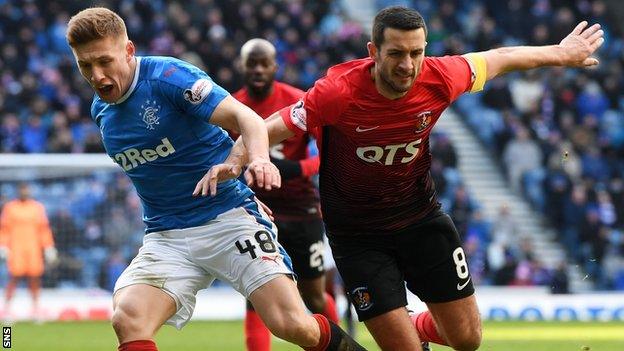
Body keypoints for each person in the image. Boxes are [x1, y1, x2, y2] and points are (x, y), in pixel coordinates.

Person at [210, 6, 604, 351]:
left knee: (468, 340)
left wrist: (561, 54)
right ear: (373, 52)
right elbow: (270, 126)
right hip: (358, 237)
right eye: (396, 53)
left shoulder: (441, 76)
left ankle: (416, 323)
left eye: (417, 53)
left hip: (420, 220)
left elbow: (501, 57)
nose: (408, 65)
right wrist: (241, 159)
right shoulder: (337, 93)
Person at [65, 8, 364, 351]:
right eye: (85, 66)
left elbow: (246, 117)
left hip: (227, 220)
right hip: (167, 235)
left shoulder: (169, 78)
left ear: (129, 50)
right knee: (128, 318)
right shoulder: (100, 110)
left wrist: (259, 161)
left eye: (105, 61)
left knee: (292, 324)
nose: (97, 75)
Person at [232, 38, 339, 351]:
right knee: (256, 294)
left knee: (314, 295)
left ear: (275, 66)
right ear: (242, 66)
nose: (258, 70)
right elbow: (225, 158)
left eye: (264, 63)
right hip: (257, 213)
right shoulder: (232, 107)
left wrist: (296, 169)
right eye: (252, 64)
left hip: (302, 210)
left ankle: (338, 345)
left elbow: (328, 153)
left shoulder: (297, 101)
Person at [0, 183, 58, 319]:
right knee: (13, 277)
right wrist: (3, 245)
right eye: (22, 190)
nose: (24, 192)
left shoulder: (37, 208)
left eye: (26, 190)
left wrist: (49, 247)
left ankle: (36, 309)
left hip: (33, 248)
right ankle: (7, 310)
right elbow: (4, 229)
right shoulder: (10, 208)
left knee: (35, 278)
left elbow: (44, 229)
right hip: (16, 249)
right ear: (18, 191)